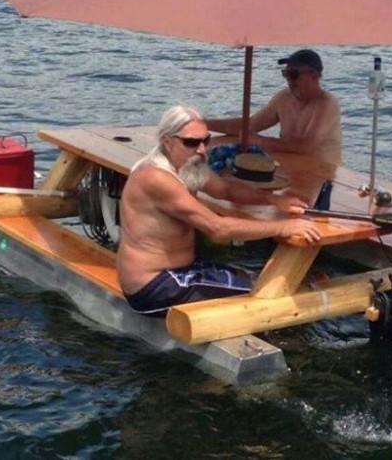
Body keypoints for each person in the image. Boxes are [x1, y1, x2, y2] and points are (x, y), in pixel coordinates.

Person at [116, 104, 321, 316]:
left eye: (205, 140)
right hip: (155, 286)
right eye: (191, 143)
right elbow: (218, 228)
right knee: (260, 292)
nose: (202, 149)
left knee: (260, 280)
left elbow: (225, 190)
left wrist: (274, 199)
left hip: (182, 271)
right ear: (167, 142)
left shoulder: (187, 165)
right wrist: (282, 227)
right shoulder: (157, 178)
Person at [206, 49, 341, 165]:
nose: (289, 81)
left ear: (315, 76)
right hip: (292, 168)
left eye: (294, 75)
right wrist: (203, 123)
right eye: (286, 74)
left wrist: (260, 141)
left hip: (323, 174)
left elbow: (305, 146)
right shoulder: (283, 98)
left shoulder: (327, 104)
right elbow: (249, 125)